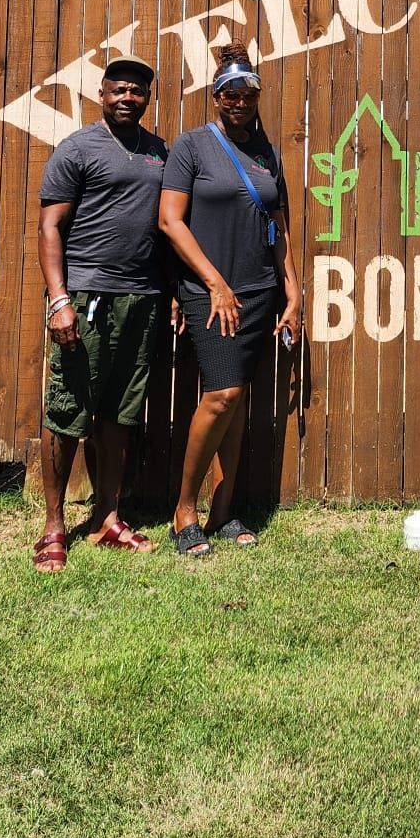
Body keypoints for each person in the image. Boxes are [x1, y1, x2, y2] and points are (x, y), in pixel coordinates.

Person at [159, 47, 302, 557]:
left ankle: (223, 512)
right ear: (216, 97)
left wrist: (293, 287)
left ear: (258, 97)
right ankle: (183, 511)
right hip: (211, 295)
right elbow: (170, 221)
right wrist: (215, 283)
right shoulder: (192, 146)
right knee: (220, 396)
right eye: (229, 93)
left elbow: (278, 226)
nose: (239, 101)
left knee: (236, 402)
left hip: (260, 291)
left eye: (248, 93)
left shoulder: (266, 153)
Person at [33, 53, 169, 573]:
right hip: (87, 296)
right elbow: (50, 228)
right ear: (102, 94)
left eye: (137, 92)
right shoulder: (77, 149)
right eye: (119, 90)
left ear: (147, 99)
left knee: (120, 413)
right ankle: (53, 527)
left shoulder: (159, 152)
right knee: (68, 412)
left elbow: (165, 227)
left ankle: (106, 519)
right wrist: (59, 299)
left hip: (143, 298)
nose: (128, 98)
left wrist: (171, 291)